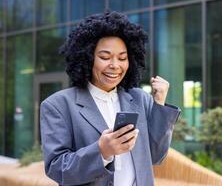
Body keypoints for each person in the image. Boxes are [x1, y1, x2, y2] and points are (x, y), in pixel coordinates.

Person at [40, 11, 181, 186]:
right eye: (105, 57)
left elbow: (155, 156)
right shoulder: (58, 105)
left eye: (122, 58)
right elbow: (56, 168)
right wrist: (101, 152)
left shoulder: (138, 98)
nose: (115, 65)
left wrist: (159, 104)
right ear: (88, 57)